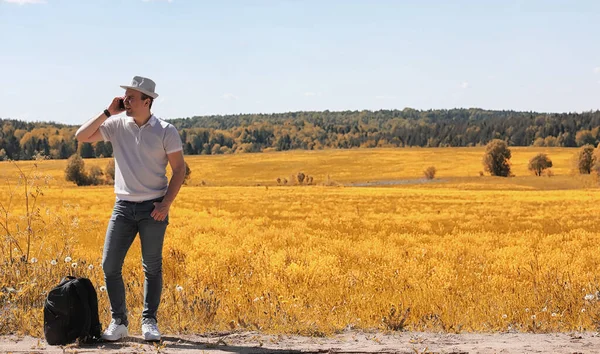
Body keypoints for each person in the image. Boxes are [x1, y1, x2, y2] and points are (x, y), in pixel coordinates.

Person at [75, 76, 186, 342]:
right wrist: (107, 112)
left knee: (152, 267)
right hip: (123, 207)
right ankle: (119, 322)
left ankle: (149, 322)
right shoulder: (115, 125)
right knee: (109, 264)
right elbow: (81, 136)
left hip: (153, 208)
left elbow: (179, 169)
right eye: (125, 95)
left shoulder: (165, 130)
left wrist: (166, 203)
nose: (126, 100)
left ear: (147, 101)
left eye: (132, 97)